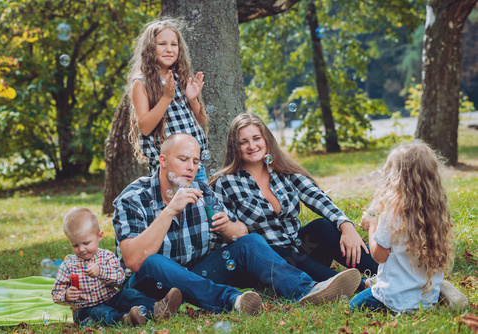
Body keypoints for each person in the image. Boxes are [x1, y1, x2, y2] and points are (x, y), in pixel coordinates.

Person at [112, 133, 362, 315]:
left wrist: (228, 227)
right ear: (163, 161)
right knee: (154, 261)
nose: (190, 167)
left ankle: (306, 290)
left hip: (197, 271)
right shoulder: (134, 198)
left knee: (250, 241)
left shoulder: (200, 190)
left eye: (196, 161)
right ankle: (232, 300)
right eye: (183, 159)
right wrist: (169, 211)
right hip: (151, 283)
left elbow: (240, 233)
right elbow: (134, 261)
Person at [210, 113, 378, 288]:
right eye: (243, 142)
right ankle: (360, 284)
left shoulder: (282, 169)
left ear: (266, 139)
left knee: (321, 226)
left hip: (300, 251)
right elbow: (225, 234)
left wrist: (346, 225)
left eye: (256, 138)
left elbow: (316, 197)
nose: (251, 146)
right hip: (268, 265)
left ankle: (383, 270)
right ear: (235, 146)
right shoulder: (225, 182)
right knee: (273, 251)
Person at [349, 142, 469, 312]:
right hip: (427, 299)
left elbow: (379, 256)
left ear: (395, 179)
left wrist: (371, 225)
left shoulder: (391, 214)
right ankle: (440, 294)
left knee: (355, 305)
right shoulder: (435, 213)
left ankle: (376, 283)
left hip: (395, 298)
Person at [52, 208, 183, 326]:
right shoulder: (68, 265)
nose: (81, 249)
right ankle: (125, 320)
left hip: (111, 298)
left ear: (99, 236)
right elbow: (56, 294)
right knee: (101, 312)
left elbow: (120, 278)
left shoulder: (106, 257)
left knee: (129, 294)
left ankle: (157, 308)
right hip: (84, 309)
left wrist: (100, 272)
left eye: (86, 243)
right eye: (75, 245)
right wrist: (66, 296)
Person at [127, 17, 209, 182]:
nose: (169, 49)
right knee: (174, 207)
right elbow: (144, 127)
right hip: (166, 169)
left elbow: (201, 121)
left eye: (174, 44)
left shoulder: (182, 78)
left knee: (202, 206)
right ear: (150, 48)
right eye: (162, 44)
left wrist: (193, 100)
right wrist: (166, 98)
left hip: (195, 168)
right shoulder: (141, 83)